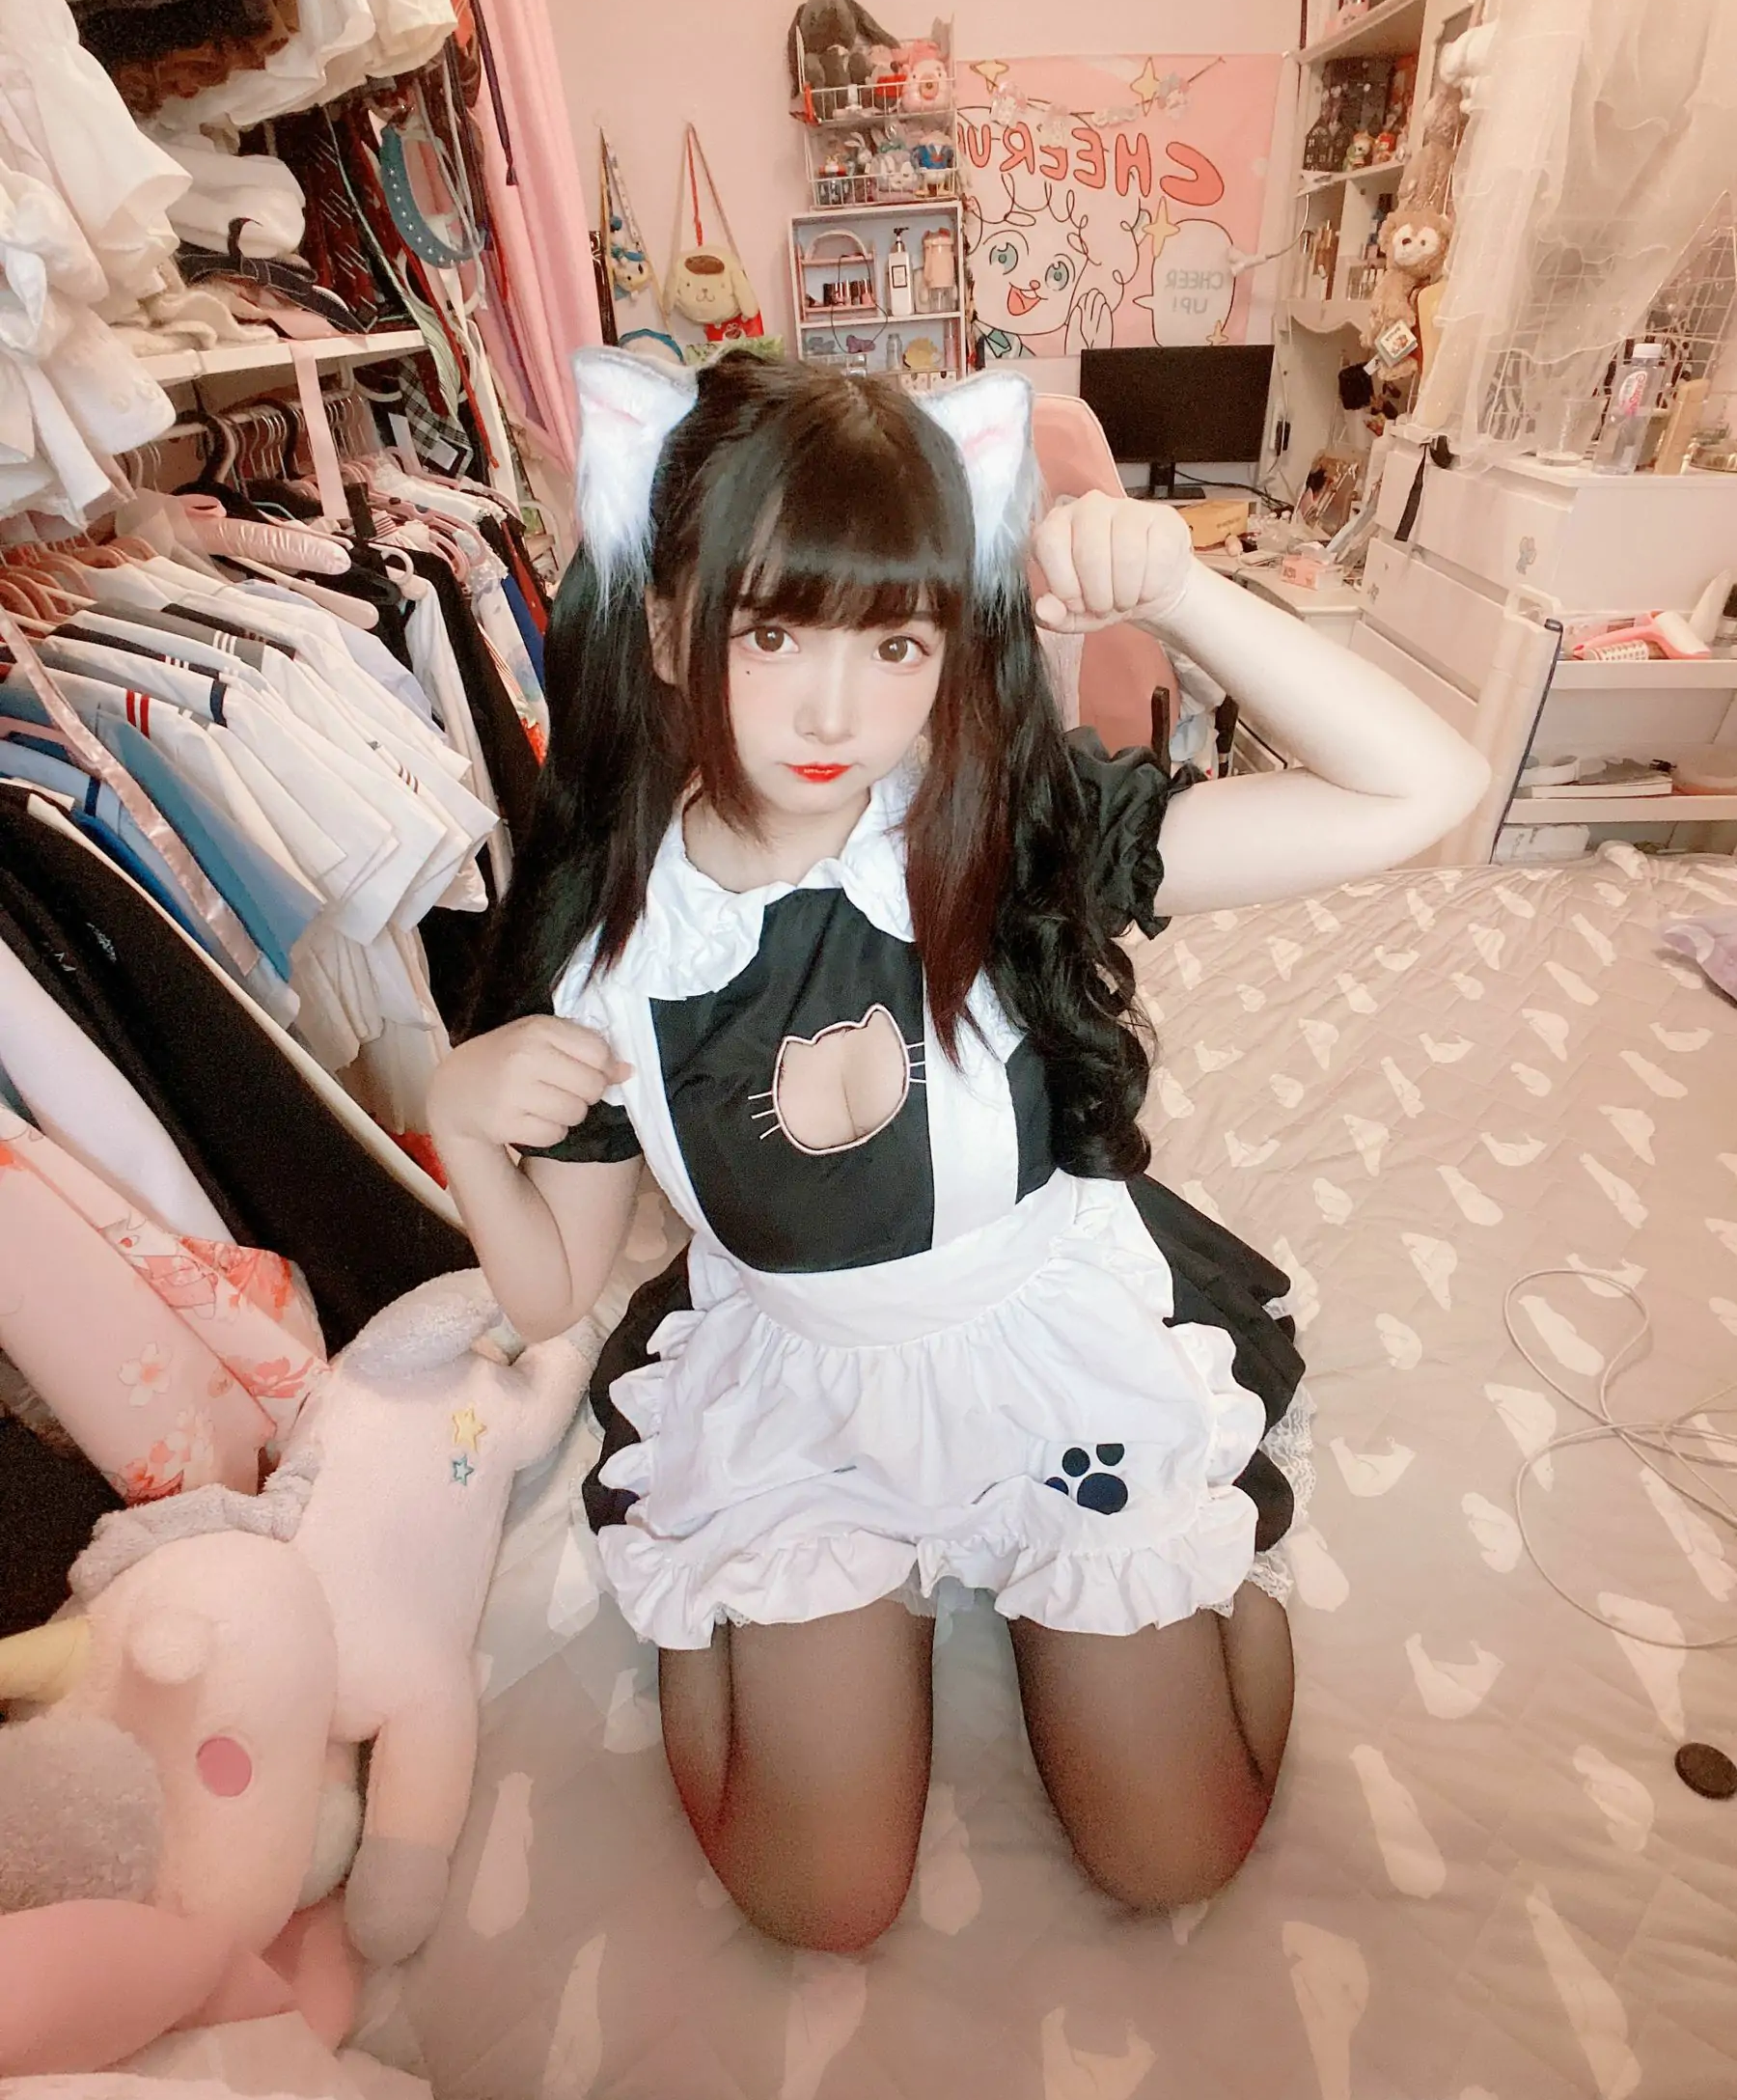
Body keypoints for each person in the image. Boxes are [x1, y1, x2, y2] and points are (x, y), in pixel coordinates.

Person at [427, 348, 1487, 1952]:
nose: (833, 710)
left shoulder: (1009, 841)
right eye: (771, 634)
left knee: (1174, 1857)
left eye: (895, 643)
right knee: (821, 1902)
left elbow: (1424, 789)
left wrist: (1181, 596)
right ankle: (731, 1586)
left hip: (1041, 1357)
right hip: (801, 1388)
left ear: (945, 647)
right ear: (664, 623)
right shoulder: (611, 940)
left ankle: (1208, 1561)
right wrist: (462, 1121)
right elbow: (555, 1284)